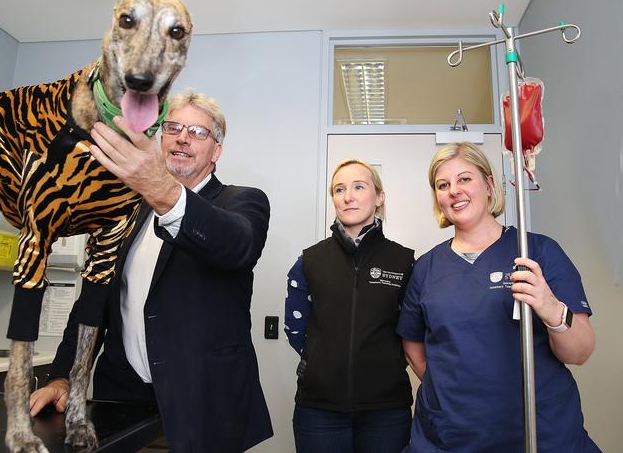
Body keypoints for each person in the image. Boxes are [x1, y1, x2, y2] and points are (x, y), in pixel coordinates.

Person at [30, 89, 274, 452]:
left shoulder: (243, 201)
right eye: (173, 127)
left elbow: (237, 245)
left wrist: (163, 190)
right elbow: (92, 304)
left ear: (216, 151)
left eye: (198, 132)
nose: (182, 138)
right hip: (125, 399)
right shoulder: (123, 214)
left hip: (204, 401)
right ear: (161, 139)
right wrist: (64, 375)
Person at [397, 142, 600, 452]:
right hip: (451, 436)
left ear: (489, 185)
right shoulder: (426, 268)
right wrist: (456, 395)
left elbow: (581, 351)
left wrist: (551, 308)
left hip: (537, 432)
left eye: (465, 179)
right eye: (443, 184)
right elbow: (414, 350)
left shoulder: (537, 252)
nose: (454, 190)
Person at [284, 159, 415, 453]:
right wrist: (321, 364)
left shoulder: (404, 261)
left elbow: (413, 329)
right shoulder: (310, 260)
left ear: (379, 197)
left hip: (386, 410)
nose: (348, 196)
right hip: (319, 410)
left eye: (359, 186)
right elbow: (295, 329)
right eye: (339, 189)